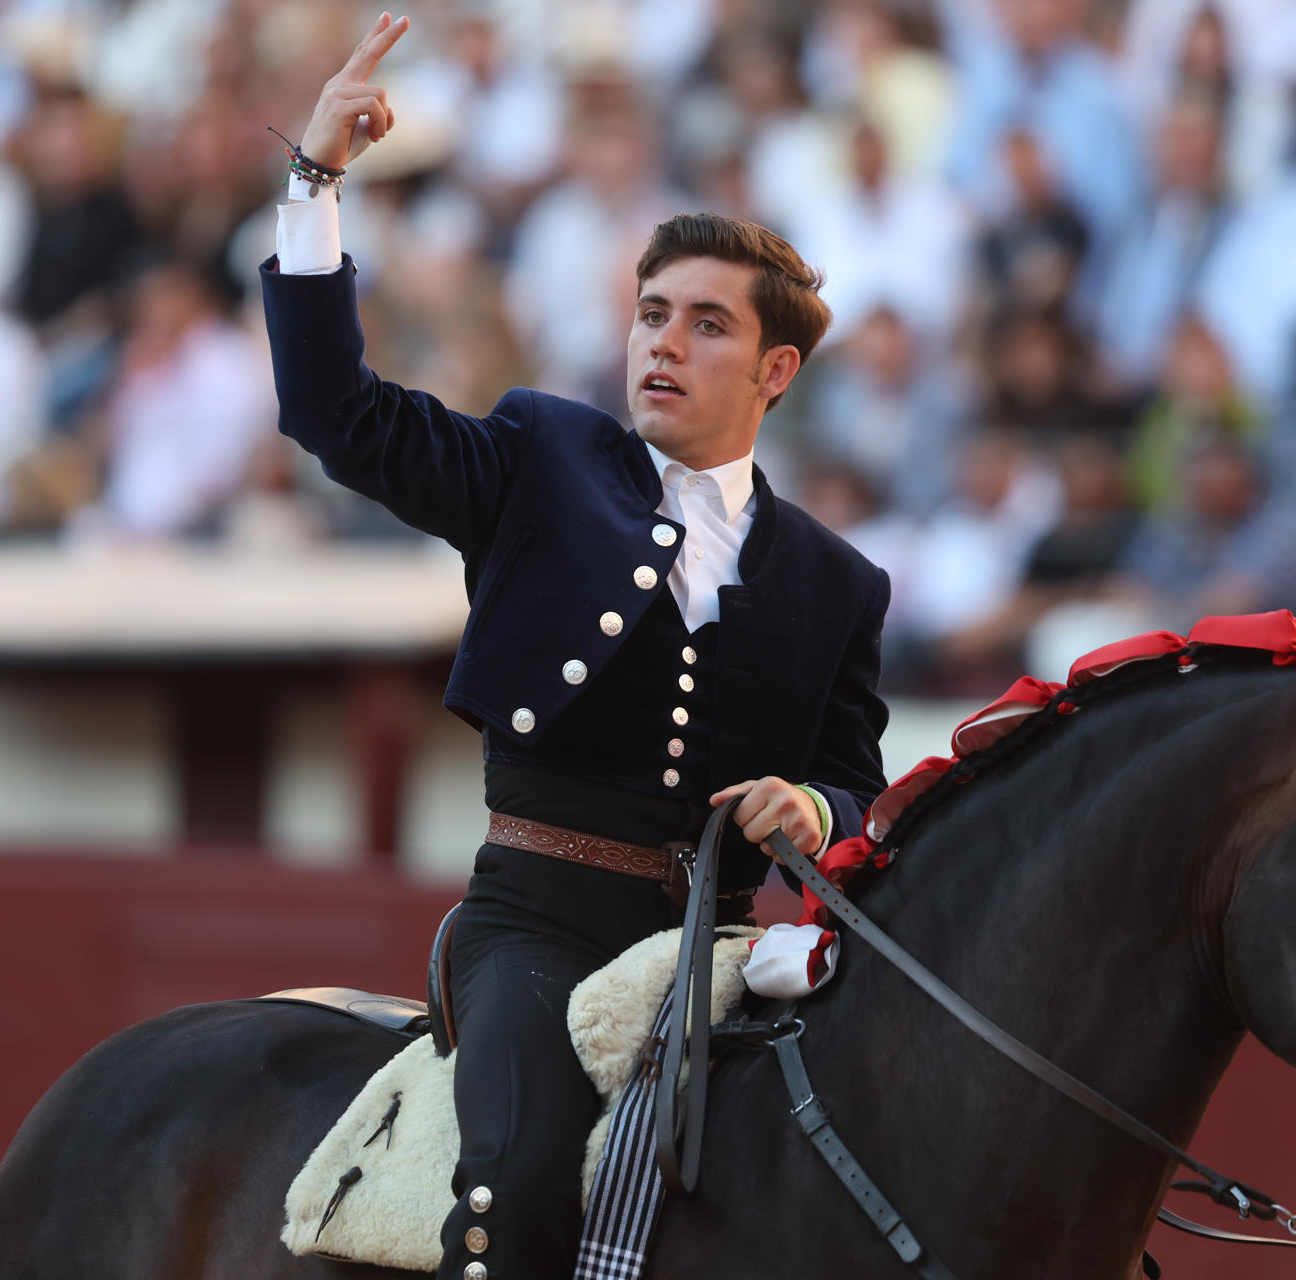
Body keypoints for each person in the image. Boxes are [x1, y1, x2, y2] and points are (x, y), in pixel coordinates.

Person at [262, 16, 890, 1279]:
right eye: (652, 313)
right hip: (533, 927)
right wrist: (316, 183)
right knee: (523, 1175)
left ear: (776, 369)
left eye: (705, 324)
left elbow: (857, 783)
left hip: (719, 949)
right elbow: (337, 412)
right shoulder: (543, 457)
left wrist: (815, 814)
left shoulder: (837, 578)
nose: (662, 339)